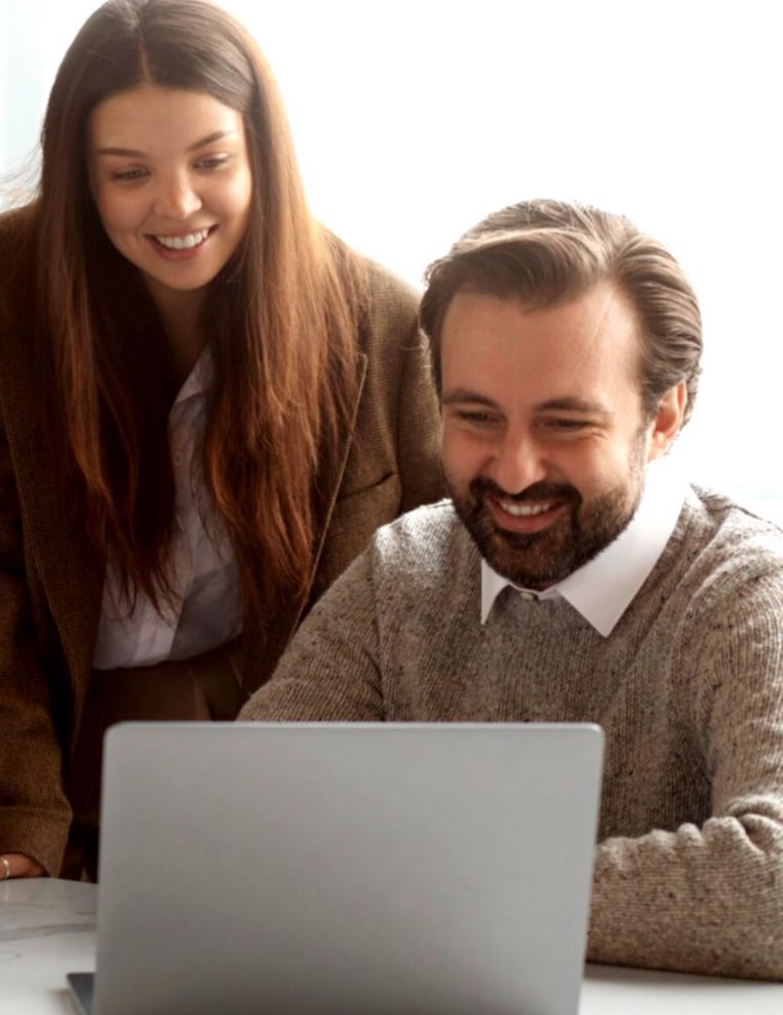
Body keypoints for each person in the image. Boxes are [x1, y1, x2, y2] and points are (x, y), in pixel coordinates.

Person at [0, 0, 443, 883]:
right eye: (127, 173)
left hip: (257, 788)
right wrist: (12, 818)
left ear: (262, 153)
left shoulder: (383, 324)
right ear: (79, 175)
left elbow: (418, 589)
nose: (177, 206)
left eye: (212, 160)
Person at [240, 199, 783, 980]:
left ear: (664, 418)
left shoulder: (744, 593)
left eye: (565, 424)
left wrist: (430, 887)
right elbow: (238, 817)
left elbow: (771, 887)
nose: (515, 470)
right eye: (476, 417)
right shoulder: (408, 568)